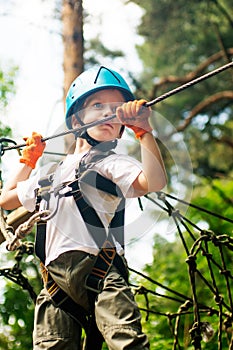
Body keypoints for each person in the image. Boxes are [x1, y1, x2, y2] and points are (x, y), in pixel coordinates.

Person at [0, 66, 167, 350]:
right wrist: (28, 161)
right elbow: (5, 199)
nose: (107, 113)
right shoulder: (50, 174)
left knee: (127, 343)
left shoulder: (111, 164)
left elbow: (154, 181)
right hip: (54, 282)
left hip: (101, 271)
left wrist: (144, 132)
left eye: (115, 109)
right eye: (98, 105)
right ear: (77, 118)